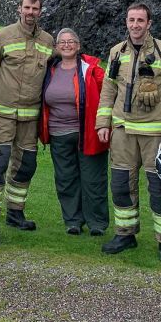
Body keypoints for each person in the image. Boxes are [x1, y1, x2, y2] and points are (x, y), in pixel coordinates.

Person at [96, 3, 161, 264]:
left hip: (155, 135)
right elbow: (108, 91)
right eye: (131, 20)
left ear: (149, 24)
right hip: (122, 132)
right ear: (126, 22)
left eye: (140, 20)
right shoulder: (117, 52)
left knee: (160, 189)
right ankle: (125, 234)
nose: (135, 25)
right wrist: (103, 123)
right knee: (121, 186)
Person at [0, 0, 55, 246]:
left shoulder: (47, 41)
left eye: (35, 9)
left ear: (40, 11)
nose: (30, 13)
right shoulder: (2, 36)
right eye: (27, 8)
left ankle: (15, 213)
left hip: (29, 119)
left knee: (26, 165)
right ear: (19, 8)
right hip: (0, 115)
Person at [39, 28, 110, 236]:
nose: (67, 45)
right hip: (58, 134)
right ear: (57, 47)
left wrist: (105, 123)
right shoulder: (49, 69)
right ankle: (73, 220)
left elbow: (108, 93)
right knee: (66, 179)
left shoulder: (92, 69)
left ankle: (97, 222)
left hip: (87, 134)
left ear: (78, 46)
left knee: (93, 180)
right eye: (62, 42)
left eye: (71, 41)